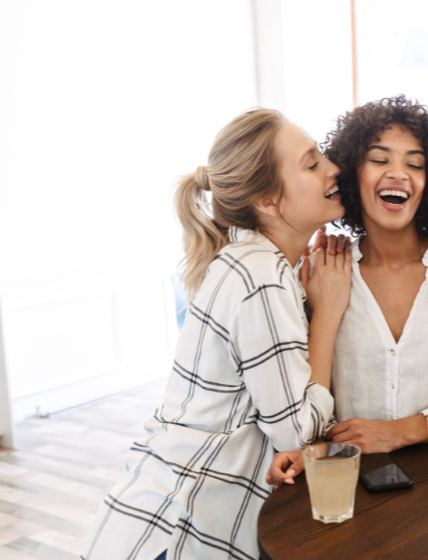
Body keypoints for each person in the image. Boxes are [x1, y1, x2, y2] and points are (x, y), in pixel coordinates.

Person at [83, 108, 352, 560]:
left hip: (159, 512)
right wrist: (325, 315)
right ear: (267, 200)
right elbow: (293, 432)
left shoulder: (252, 263)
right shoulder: (260, 276)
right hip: (177, 531)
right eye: (312, 163)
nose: (333, 168)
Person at [268, 96, 428, 485]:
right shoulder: (323, 274)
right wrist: (314, 446)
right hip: (353, 491)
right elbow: (305, 398)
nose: (398, 174)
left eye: (415, 164)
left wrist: (404, 430)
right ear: (352, 174)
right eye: (379, 159)